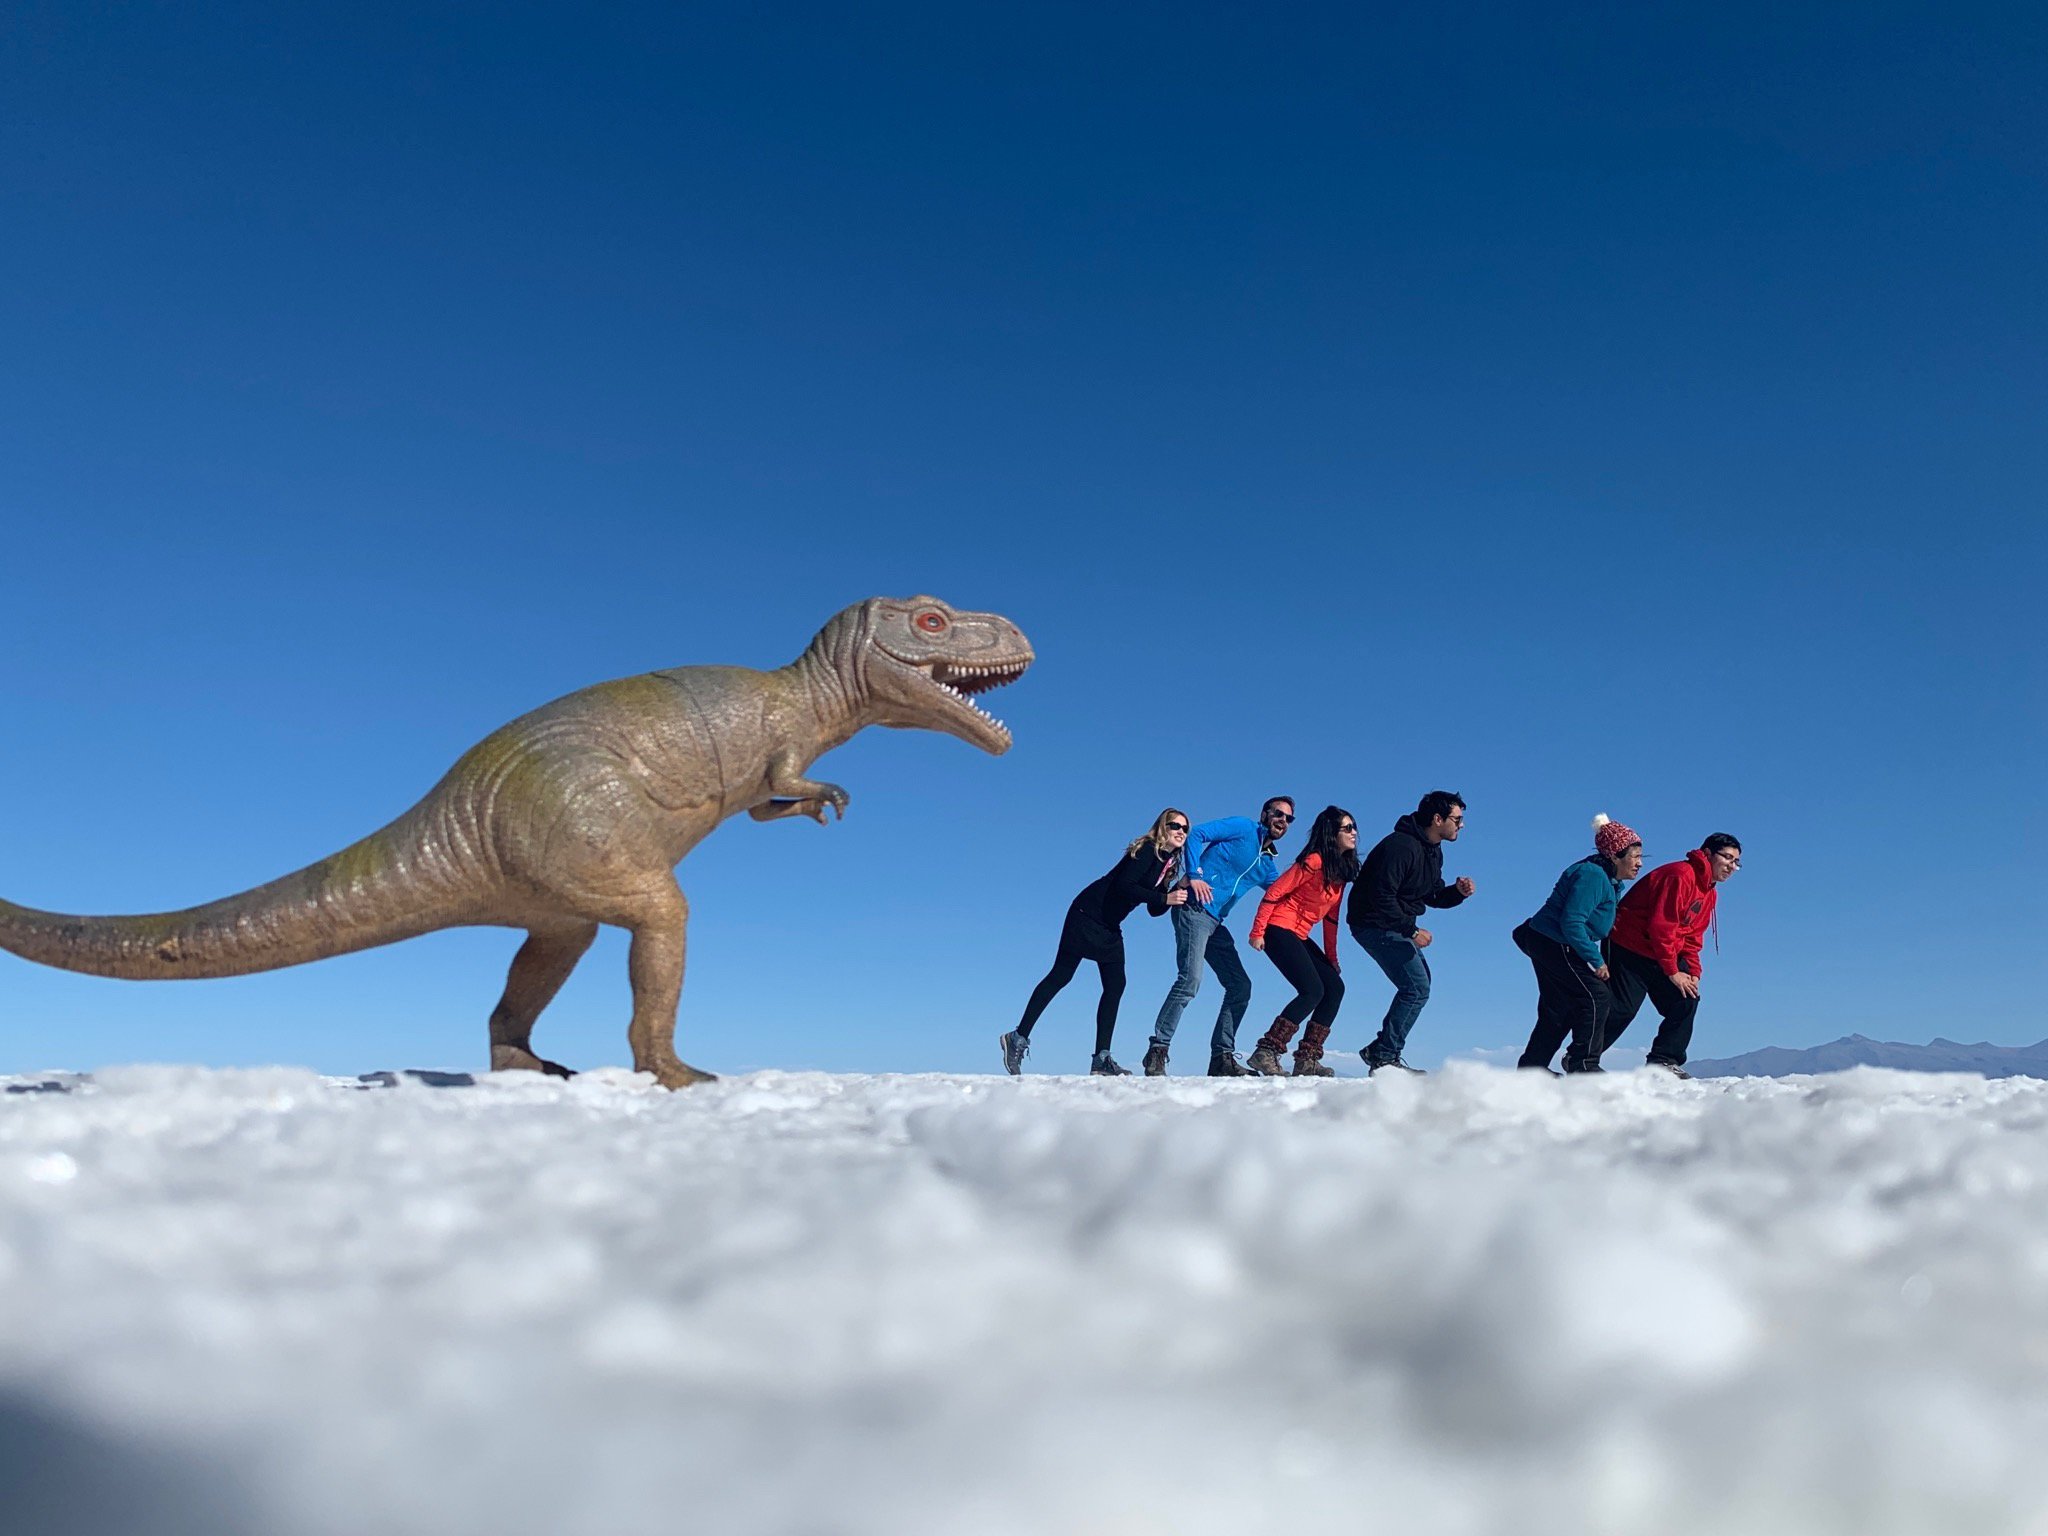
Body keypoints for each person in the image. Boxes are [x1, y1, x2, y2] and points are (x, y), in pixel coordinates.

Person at [1000, 810, 1190, 1076]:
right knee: (1061, 975)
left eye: (1185, 828)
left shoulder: (1167, 864)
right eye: (1175, 825)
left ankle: (1101, 1059)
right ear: (1162, 827)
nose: (1181, 831)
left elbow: (1153, 910)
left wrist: (1175, 889)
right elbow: (1125, 885)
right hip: (1087, 913)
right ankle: (1017, 1038)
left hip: (1110, 925)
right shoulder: (1148, 849)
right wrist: (1163, 899)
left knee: (1116, 985)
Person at [1144, 797, 1295, 1078]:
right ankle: (1157, 1051)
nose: (1282, 821)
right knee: (1190, 980)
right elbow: (1197, 834)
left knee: (1240, 985)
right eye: (1278, 814)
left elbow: (1283, 894)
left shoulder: (1267, 863)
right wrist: (1195, 874)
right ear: (1265, 813)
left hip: (1216, 923)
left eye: (1288, 819)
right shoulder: (1242, 827)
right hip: (1193, 909)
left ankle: (1221, 1058)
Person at [1347, 790, 1476, 1074]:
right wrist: (1412, 929)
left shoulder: (1432, 849)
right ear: (1438, 819)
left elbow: (1430, 894)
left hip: (1392, 923)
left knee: (1420, 985)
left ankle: (1380, 1050)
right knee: (1416, 988)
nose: (1461, 825)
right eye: (1458, 819)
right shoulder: (1401, 847)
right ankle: (1383, 1057)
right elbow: (1381, 896)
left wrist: (1457, 893)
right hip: (1373, 923)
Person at [1597, 833, 1742, 1078]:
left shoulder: (1709, 891)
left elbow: (1693, 935)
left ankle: (1662, 1061)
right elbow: (1661, 926)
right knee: (1622, 1009)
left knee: (1685, 998)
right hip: (1628, 945)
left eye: (1736, 862)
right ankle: (1582, 1059)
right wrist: (1673, 971)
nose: (1732, 866)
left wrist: (1693, 972)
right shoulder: (1680, 875)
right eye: (1727, 857)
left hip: (1660, 951)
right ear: (1707, 854)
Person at [1513, 816, 1644, 1074]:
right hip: (1554, 940)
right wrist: (1595, 960)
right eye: (1635, 856)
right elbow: (1572, 922)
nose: (1639, 863)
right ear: (1615, 856)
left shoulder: (1607, 878)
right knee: (1596, 995)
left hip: (1548, 940)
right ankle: (1583, 1064)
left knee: (1558, 1006)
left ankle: (1532, 1070)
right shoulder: (1593, 876)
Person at [1245, 807, 1361, 1077]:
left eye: (1354, 826)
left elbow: (1331, 920)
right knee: (1312, 990)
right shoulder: (1314, 861)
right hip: (1277, 928)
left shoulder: (1340, 872)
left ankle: (1307, 1058)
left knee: (1335, 987)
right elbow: (1275, 892)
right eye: (1347, 828)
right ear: (1332, 834)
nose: (1354, 832)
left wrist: (1331, 959)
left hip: (1299, 934)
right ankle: (1267, 1051)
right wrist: (1257, 931)